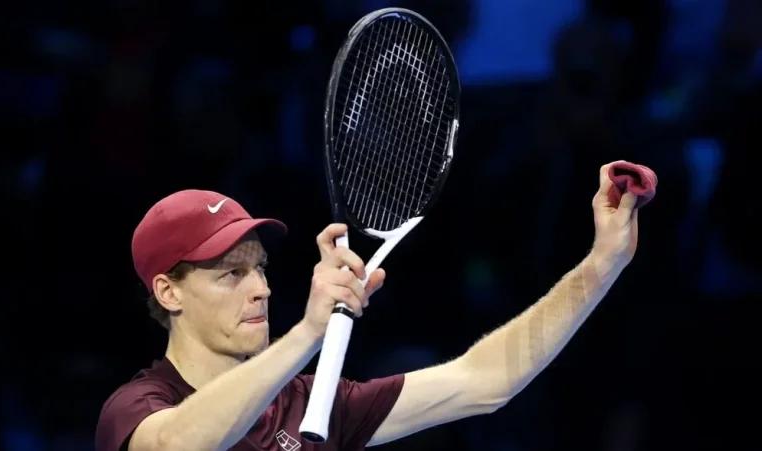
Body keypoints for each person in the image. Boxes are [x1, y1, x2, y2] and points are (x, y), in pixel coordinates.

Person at [96, 161, 643, 451]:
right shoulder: (138, 407)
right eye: (231, 274)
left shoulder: (313, 404)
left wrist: (603, 262)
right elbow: (179, 444)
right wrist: (309, 332)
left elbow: (486, 380)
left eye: (259, 267)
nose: (260, 288)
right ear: (169, 293)